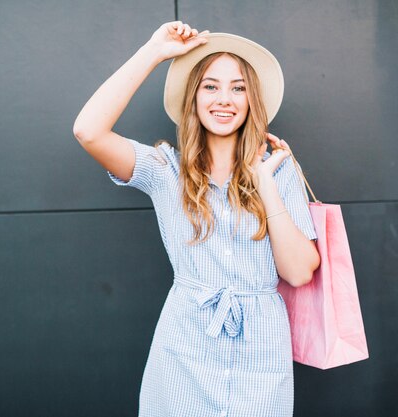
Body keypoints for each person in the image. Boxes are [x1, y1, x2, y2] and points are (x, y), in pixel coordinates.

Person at [73, 21, 320, 417]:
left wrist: (264, 182)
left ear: (251, 100)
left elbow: (298, 272)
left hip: (261, 350)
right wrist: (154, 51)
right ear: (194, 97)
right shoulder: (164, 169)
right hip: (184, 347)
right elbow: (88, 131)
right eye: (211, 86)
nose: (225, 99)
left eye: (238, 88)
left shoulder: (277, 170)